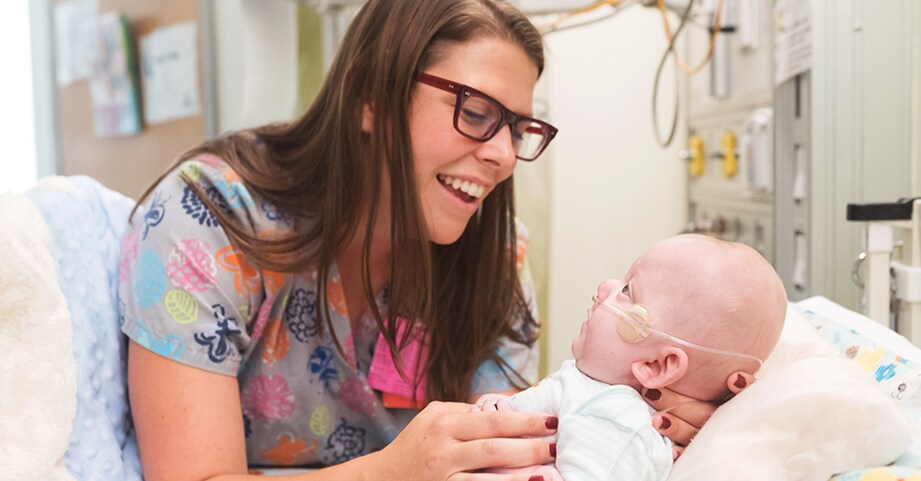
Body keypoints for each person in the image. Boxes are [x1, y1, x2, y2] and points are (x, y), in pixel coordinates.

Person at [118, 1, 713, 480]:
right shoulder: (209, 219)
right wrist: (392, 472)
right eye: (476, 110)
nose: (504, 155)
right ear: (369, 96)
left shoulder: (497, 257)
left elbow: (509, 448)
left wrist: (645, 415)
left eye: (519, 127)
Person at [474, 234, 788, 481]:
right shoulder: (589, 391)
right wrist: (501, 411)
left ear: (656, 366)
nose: (605, 286)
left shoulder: (616, 420)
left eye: (627, 291)